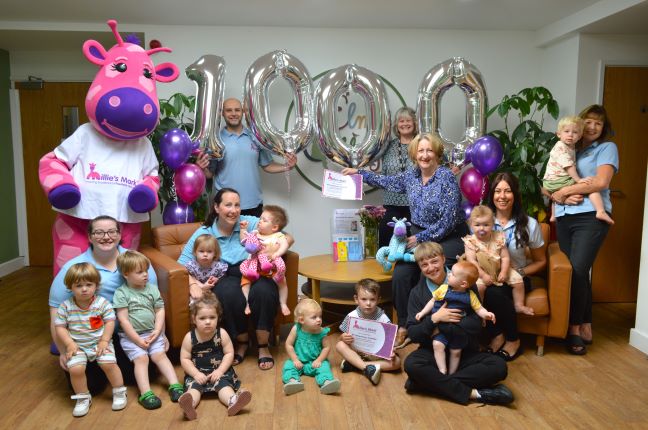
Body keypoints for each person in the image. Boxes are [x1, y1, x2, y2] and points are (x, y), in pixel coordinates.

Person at [343, 133, 467, 348]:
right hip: (419, 234)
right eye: (421, 151)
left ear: (437, 153)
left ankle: (431, 326)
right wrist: (359, 173)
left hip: (448, 236)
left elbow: (447, 221)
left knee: (429, 270)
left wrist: (419, 237)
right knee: (400, 275)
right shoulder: (411, 176)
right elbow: (387, 181)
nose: (425, 155)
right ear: (414, 154)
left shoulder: (446, 177)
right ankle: (405, 326)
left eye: (429, 151)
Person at [177, 188, 293, 370]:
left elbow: (286, 236)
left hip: (257, 269)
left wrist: (275, 250)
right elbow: (181, 264)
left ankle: (263, 346)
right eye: (228, 205)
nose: (234, 210)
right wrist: (192, 283)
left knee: (265, 291)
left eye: (237, 205)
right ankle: (242, 342)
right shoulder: (205, 232)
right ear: (216, 207)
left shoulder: (250, 222)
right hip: (226, 273)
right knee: (228, 293)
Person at [49, 215, 158, 394]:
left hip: (128, 334)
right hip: (87, 338)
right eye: (99, 232)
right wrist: (63, 350)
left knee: (141, 376)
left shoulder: (136, 261)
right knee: (92, 387)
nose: (106, 237)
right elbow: (55, 313)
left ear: (119, 234)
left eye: (111, 231)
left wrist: (160, 334)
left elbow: (154, 301)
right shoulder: (74, 268)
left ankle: (111, 367)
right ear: (90, 237)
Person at [403, 242, 513, 405]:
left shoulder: (466, 281)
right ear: (419, 266)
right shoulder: (416, 293)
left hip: (464, 349)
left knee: (498, 366)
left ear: (443, 258)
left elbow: (476, 325)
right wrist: (435, 319)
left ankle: (425, 384)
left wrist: (451, 321)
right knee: (412, 364)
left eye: (434, 261)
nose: (431, 268)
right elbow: (414, 333)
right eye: (424, 264)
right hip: (433, 350)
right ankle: (476, 394)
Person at [551, 104, 618, 355]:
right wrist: (560, 197)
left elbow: (601, 182)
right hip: (565, 216)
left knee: (578, 270)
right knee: (575, 272)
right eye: (588, 121)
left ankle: (574, 329)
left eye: (598, 123)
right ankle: (586, 322)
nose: (591, 127)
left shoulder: (606, 148)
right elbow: (549, 185)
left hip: (591, 216)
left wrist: (567, 191)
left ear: (604, 128)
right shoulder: (567, 147)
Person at [196, 98, 297, 217]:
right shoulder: (215, 140)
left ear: (243, 112)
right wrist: (201, 168)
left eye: (237, 110)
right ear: (222, 113)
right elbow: (209, 174)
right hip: (227, 205)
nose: (233, 114)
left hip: (254, 204)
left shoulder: (255, 137)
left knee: (252, 236)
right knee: (227, 236)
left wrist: (287, 166)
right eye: (229, 110)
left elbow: (267, 165)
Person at [486, 172, 546, 361]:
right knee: (476, 290)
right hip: (488, 276)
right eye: (498, 191)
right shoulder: (482, 222)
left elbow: (540, 261)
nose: (502, 196)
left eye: (508, 191)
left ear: (516, 195)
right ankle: (497, 334)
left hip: (517, 279)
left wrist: (518, 272)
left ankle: (513, 340)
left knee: (494, 293)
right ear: (492, 195)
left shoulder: (530, 224)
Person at [113, 250, 184, 409]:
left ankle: (175, 385)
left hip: (153, 333)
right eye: (140, 272)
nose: (146, 274)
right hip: (131, 337)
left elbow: (160, 311)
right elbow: (123, 320)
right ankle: (145, 393)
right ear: (126, 274)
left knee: (160, 355)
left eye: (146, 270)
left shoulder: (152, 289)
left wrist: (160, 332)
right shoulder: (121, 293)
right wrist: (137, 340)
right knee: (142, 359)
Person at [54, 262, 127, 417]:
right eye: (79, 285)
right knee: (75, 369)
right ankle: (82, 397)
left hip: (99, 343)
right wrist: (70, 344)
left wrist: (105, 341)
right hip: (77, 346)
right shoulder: (65, 306)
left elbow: (110, 322)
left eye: (89, 284)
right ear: (70, 287)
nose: (84, 289)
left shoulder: (102, 303)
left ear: (96, 285)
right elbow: (60, 327)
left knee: (109, 363)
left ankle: (119, 391)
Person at [178, 292, 252, 420]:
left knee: (224, 386)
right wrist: (195, 374)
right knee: (194, 388)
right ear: (193, 319)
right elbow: (185, 359)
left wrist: (220, 370)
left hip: (219, 372)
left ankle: (233, 401)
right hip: (198, 374)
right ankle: (189, 405)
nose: (208, 322)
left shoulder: (221, 333)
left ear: (218, 317)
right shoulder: (189, 337)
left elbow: (229, 353)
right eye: (202, 318)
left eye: (212, 317)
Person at [414, 261, 496, 375]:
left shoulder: (470, 295)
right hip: (442, 327)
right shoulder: (443, 289)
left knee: (456, 351)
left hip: (458, 331)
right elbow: (433, 301)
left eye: (452, 274)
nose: (448, 275)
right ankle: (442, 370)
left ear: (463, 284)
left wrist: (486, 314)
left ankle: (452, 374)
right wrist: (422, 312)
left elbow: (479, 309)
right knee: (437, 345)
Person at [463, 205, 534, 316]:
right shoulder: (470, 242)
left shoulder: (498, 237)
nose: (481, 228)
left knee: (519, 281)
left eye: (486, 225)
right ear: (471, 225)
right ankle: (480, 311)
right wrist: (483, 276)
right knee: (479, 288)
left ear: (492, 224)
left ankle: (519, 305)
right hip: (481, 272)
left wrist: (504, 272)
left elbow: (505, 257)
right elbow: (472, 262)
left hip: (500, 268)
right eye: (477, 225)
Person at [543, 116, 614, 225]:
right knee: (590, 187)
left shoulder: (573, 148)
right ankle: (600, 211)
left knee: (588, 185)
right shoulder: (562, 146)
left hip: (553, 183)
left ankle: (553, 215)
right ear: (558, 134)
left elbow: (602, 182)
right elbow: (568, 166)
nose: (570, 135)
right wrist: (578, 180)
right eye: (566, 131)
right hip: (557, 185)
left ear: (579, 135)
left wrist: (564, 193)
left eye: (574, 132)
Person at [335, 278, 401, 385]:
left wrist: (391, 351)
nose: (368, 303)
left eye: (372, 299)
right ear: (356, 299)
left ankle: (357, 365)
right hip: (357, 352)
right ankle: (366, 367)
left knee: (397, 363)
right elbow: (341, 338)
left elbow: (389, 343)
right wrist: (343, 337)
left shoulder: (383, 318)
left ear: (378, 300)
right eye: (364, 299)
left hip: (376, 356)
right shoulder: (351, 316)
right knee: (339, 345)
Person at [239, 205, 291, 317]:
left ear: (274, 227)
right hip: (254, 266)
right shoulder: (254, 233)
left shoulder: (278, 235)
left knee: (282, 282)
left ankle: (283, 303)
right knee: (245, 282)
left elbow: (285, 245)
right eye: (260, 218)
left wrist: (277, 254)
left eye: (264, 220)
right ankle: (247, 303)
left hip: (271, 266)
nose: (260, 221)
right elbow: (244, 241)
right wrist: (243, 229)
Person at [282, 299, 341, 395]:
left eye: (320, 316)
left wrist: (319, 360)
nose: (319, 320)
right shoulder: (296, 329)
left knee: (325, 367)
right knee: (288, 366)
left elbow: (327, 347)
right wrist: (295, 360)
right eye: (314, 317)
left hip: (314, 363)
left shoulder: (322, 332)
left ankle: (327, 382)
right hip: (299, 362)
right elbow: (288, 344)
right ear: (302, 320)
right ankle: (292, 381)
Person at [377, 107, 417, 247]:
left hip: (415, 204)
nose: (405, 124)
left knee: (412, 245)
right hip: (392, 203)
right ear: (396, 125)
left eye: (408, 120)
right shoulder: (387, 146)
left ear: (415, 123)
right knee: (385, 240)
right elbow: (372, 165)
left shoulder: (421, 144)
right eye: (401, 121)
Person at [185, 234, 228, 302]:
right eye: (201, 251)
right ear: (195, 252)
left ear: (215, 253)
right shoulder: (191, 265)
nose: (205, 254)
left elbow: (223, 279)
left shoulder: (219, 266)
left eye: (209, 251)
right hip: (196, 291)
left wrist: (216, 279)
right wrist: (201, 286)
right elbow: (187, 277)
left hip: (212, 293)